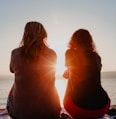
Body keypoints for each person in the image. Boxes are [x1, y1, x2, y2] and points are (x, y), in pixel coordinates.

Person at [7, 21, 61, 119]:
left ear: (25, 34)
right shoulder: (52, 54)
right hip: (49, 114)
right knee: (49, 84)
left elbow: (12, 69)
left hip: (20, 115)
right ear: (44, 35)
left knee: (15, 84)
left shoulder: (15, 53)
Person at [63, 29, 110, 119]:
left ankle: (72, 103)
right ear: (89, 42)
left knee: (70, 78)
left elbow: (72, 70)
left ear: (73, 41)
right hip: (103, 107)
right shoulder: (96, 57)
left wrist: (69, 71)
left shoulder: (70, 53)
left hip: (78, 110)